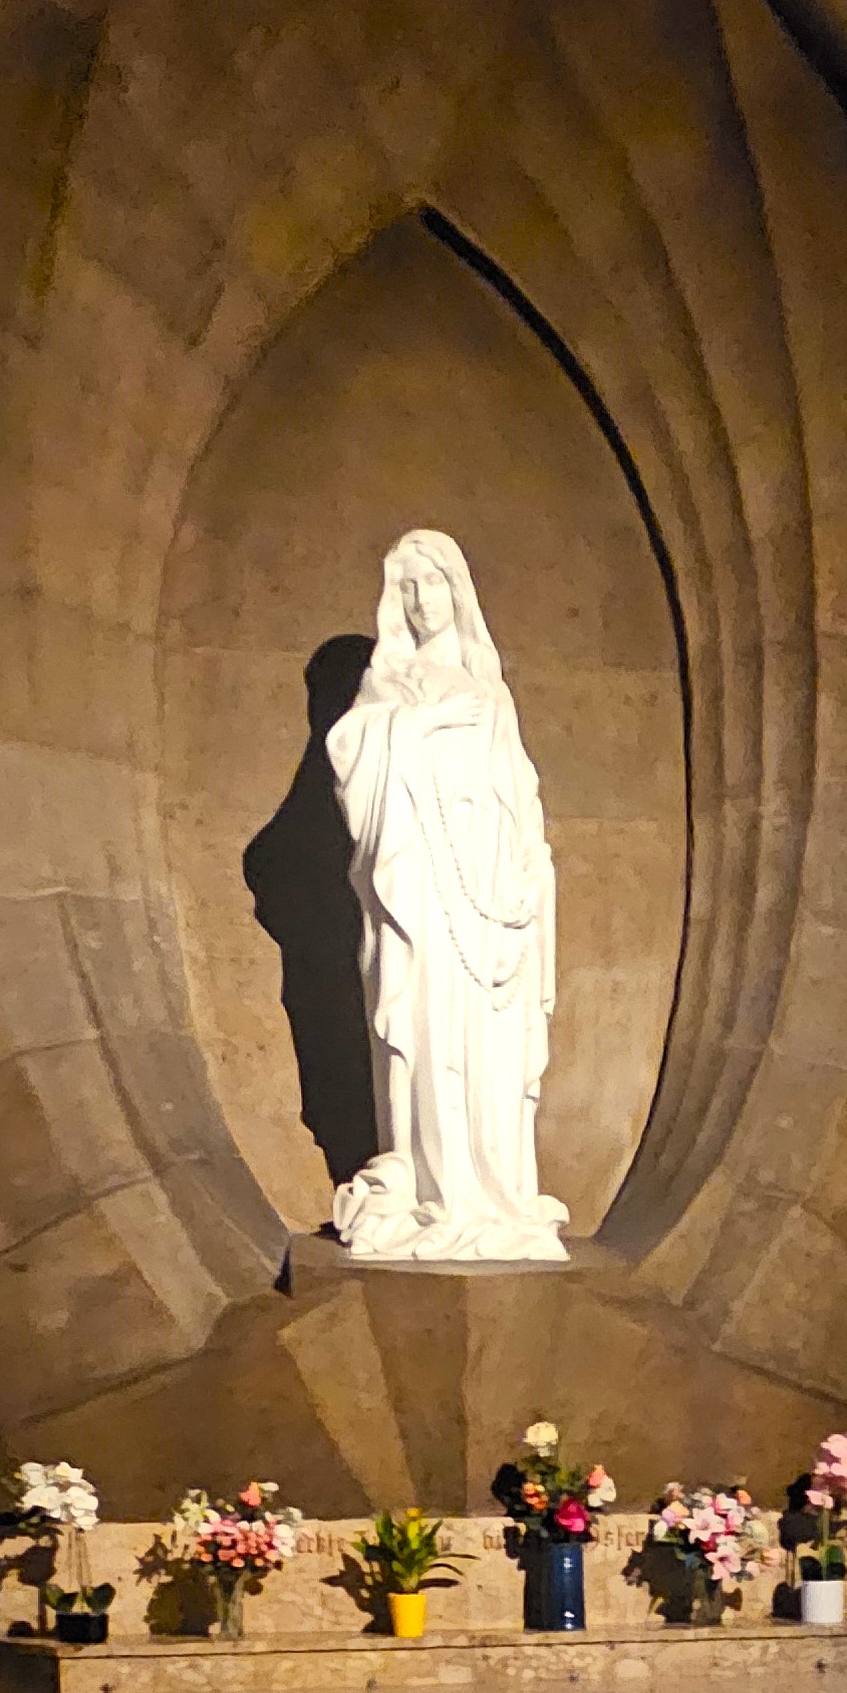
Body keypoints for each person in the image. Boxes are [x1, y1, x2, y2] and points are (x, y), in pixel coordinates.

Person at [327, 529, 570, 1263]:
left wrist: (530, 867)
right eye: (405, 585)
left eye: (430, 582)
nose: (418, 599)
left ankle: (494, 1190)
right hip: (424, 894)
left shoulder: (490, 693)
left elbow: (520, 792)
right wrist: (420, 726)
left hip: (490, 893)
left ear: (456, 590)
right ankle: (436, 1187)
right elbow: (352, 764)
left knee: (489, 1047)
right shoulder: (388, 689)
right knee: (429, 1034)